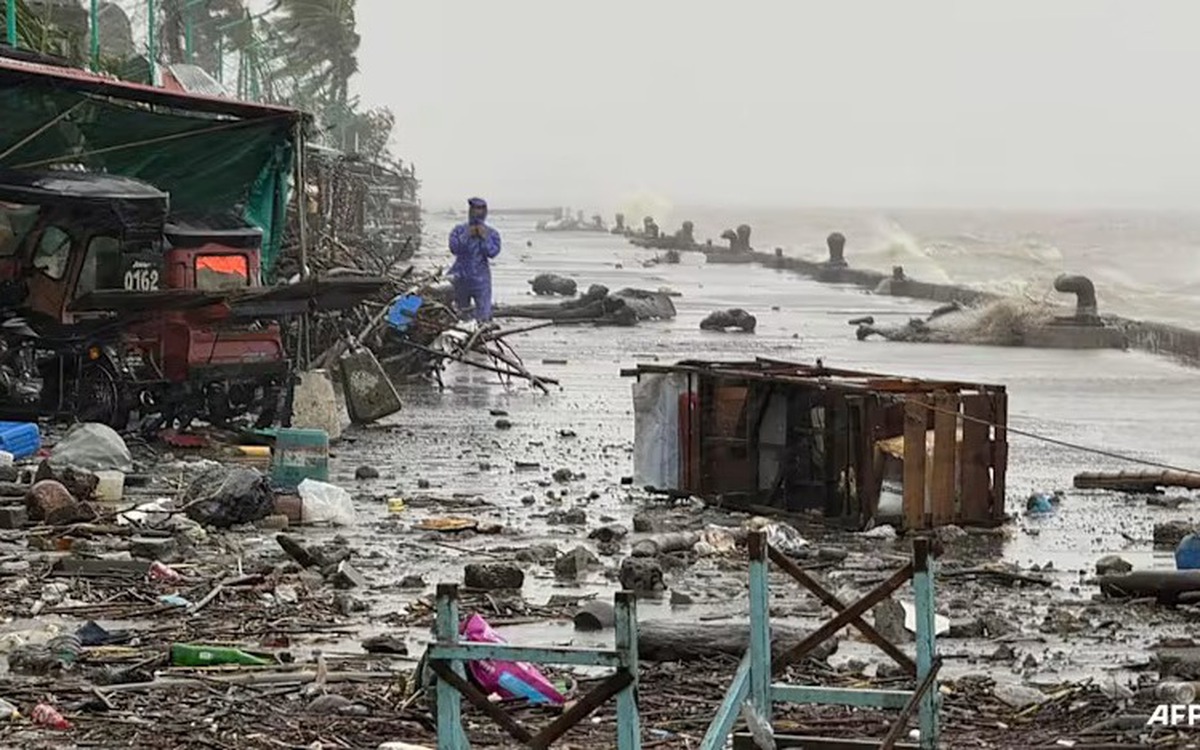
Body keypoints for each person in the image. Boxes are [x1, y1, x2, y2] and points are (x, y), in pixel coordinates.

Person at [448, 197, 501, 321]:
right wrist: (467, 236)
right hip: (460, 276)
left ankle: (480, 333)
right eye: (474, 209)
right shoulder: (459, 230)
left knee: (483, 315)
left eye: (480, 209)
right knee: (460, 314)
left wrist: (484, 238)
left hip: (481, 279)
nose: (477, 212)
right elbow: (454, 248)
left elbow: (492, 252)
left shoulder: (492, 233)